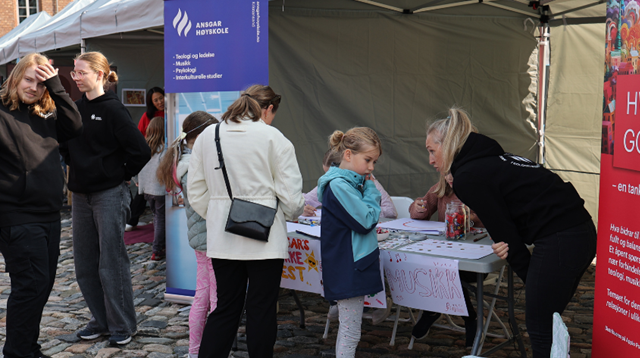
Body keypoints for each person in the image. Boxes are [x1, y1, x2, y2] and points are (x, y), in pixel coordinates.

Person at [426, 107, 596, 358]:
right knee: (549, 319)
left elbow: (503, 230)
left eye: (432, 150)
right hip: (579, 230)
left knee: (540, 326)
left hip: (563, 237)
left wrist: (531, 279)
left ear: (449, 145)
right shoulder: (490, 161)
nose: (430, 160)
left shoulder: (468, 175)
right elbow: (511, 214)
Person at [189, 85, 305, 358]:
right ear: (268, 109)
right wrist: (289, 214)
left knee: (226, 308)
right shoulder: (274, 138)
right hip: (266, 237)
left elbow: (195, 191)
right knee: (262, 309)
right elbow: (291, 198)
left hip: (223, 237)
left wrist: (221, 215)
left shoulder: (209, 135)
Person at [60, 51, 151, 346]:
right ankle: (100, 320)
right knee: (85, 264)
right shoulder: (74, 108)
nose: (76, 77)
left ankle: (123, 325)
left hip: (109, 195)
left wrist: (120, 174)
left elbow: (140, 150)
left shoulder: (113, 110)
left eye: (81, 72)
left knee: (111, 263)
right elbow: (65, 147)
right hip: (81, 196)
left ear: (100, 75)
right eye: (74, 72)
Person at [0, 53, 83, 358]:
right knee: (31, 284)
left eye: (40, 82)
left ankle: (26, 348)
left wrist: (55, 86)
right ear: (15, 77)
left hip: (48, 213)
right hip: (14, 214)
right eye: (28, 79)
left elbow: (75, 126)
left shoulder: (45, 113)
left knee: (43, 285)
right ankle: (18, 353)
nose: (33, 87)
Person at [317, 127, 384, 358]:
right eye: (368, 160)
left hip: (350, 263)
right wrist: (372, 191)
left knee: (350, 331)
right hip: (348, 266)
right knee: (350, 332)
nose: (371, 167)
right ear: (348, 155)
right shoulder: (340, 186)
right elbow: (366, 221)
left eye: (374, 161)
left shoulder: (347, 183)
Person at [157, 110, 218, 359]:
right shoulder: (194, 165)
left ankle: (196, 352)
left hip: (200, 237)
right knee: (216, 299)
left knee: (203, 296)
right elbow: (206, 204)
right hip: (210, 237)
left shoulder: (184, 161)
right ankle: (211, 350)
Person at [408, 173, 483, 346]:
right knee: (426, 263)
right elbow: (419, 214)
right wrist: (418, 208)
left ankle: (434, 311)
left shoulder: (479, 188)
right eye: (446, 173)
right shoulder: (441, 189)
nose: (450, 177)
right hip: (446, 251)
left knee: (448, 270)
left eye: (454, 172)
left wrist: (471, 217)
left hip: (474, 257)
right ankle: (466, 316)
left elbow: (493, 217)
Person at [303, 149, 397, 219]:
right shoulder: (328, 183)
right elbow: (303, 201)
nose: (327, 178)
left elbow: (391, 212)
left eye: (331, 174)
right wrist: (301, 209)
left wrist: (363, 212)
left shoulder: (370, 182)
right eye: (326, 175)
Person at [127, 87, 165, 231]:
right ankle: (132, 220)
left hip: (167, 153)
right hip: (150, 156)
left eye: (161, 98)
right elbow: (139, 136)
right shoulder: (147, 116)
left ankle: (133, 220)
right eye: (155, 100)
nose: (159, 102)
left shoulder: (172, 110)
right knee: (143, 190)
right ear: (151, 102)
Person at [138, 117, 167, 261]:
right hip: (160, 189)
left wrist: (137, 181)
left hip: (147, 189)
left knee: (156, 217)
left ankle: (160, 246)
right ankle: (157, 249)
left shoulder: (143, 146)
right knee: (160, 219)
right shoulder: (165, 148)